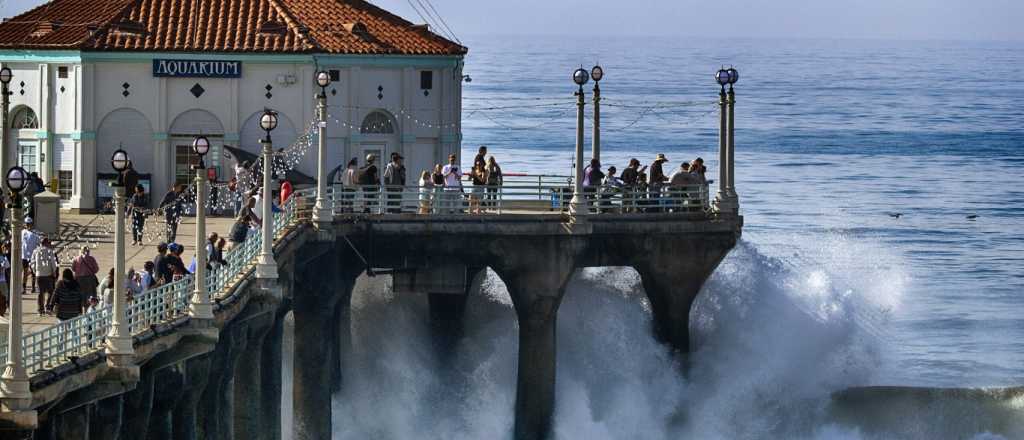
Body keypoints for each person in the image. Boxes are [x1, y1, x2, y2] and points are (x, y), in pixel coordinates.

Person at [30, 238, 59, 315]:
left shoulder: (35, 251)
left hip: (39, 275)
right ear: (46, 243)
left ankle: (40, 310)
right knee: (51, 291)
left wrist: (35, 271)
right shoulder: (50, 251)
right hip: (48, 275)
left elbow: (32, 263)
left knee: (40, 292)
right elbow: (53, 262)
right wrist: (54, 272)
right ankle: (48, 307)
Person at [21, 216, 41, 292]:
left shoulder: (36, 233)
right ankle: (24, 288)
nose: (28, 225)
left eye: (29, 224)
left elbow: (39, 244)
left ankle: (33, 287)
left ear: (32, 224)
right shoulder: (22, 232)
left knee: (33, 272)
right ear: (25, 224)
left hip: (32, 256)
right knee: (25, 272)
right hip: (24, 256)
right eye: (27, 224)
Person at [0, 243, 9, 317]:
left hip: (2, 280)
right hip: (2, 281)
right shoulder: (3, 257)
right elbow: (7, 266)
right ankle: (1, 313)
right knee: (3, 298)